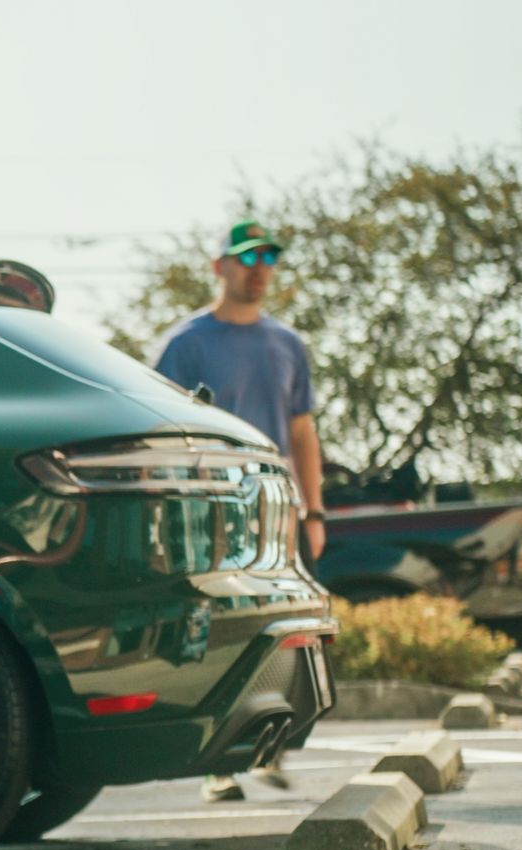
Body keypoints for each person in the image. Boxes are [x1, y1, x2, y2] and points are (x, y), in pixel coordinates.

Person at [151, 219, 326, 802]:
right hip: (214, 513)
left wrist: (314, 510)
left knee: (287, 633)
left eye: (268, 257)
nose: (259, 267)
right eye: (248, 257)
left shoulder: (286, 345)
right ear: (220, 266)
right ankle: (216, 767)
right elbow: (164, 433)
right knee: (220, 633)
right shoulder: (186, 344)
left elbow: (302, 432)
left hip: (278, 512)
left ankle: (270, 745)